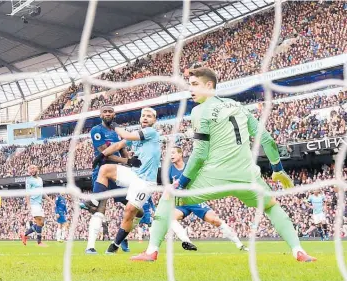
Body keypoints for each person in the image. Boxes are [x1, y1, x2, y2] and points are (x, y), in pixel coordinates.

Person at [131, 66, 316, 262]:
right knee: (271, 206)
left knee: (168, 194)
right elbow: (267, 140)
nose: (191, 89)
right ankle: (298, 251)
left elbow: (200, 154)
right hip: (247, 176)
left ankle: (151, 252)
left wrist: (183, 183)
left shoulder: (199, 111)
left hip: (215, 176)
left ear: (209, 85)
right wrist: (278, 170)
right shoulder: (239, 106)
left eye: (195, 84)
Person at [92, 107, 161, 254]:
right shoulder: (137, 134)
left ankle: (115, 245)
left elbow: (126, 136)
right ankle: (94, 201)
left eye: (149, 116)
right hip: (134, 174)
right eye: (143, 115)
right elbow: (118, 145)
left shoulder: (151, 132)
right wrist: (101, 156)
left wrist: (115, 126)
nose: (146, 118)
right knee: (104, 169)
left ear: (154, 120)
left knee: (129, 211)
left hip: (146, 181)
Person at [84, 105, 141, 254]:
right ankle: (90, 247)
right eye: (105, 112)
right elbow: (105, 153)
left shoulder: (118, 131)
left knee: (136, 210)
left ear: (114, 114)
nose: (108, 114)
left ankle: (120, 239)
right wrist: (127, 162)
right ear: (100, 114)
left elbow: (123, 149)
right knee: (100, 209)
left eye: (110, 111)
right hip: (102, 172)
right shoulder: (96, 130)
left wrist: (130, 160)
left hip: (118, 174)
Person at [168, 146, 248, 251]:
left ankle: (239, 244)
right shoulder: (169, 170)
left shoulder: (190, 167)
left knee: (215, 220)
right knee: (170, 217)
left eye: (173, 153)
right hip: (182, 203)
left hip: (194, 199)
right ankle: (187, 241)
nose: (171, 155)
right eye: (170, 154)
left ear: (180, 154)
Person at [20, 165, 53, 247]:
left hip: (39, 204)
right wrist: (28, 204)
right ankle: (39, 242)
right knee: (40, 222)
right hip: (33, 203)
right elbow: (27, 192)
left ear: (37, 169)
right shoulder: (29, 180)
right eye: (30, 169)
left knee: (41, 223)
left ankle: (24, 235)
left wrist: (50, 200)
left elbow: (42, 192)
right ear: (29, 171)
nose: (32, 170)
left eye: (33, 168)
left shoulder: (40, 179)